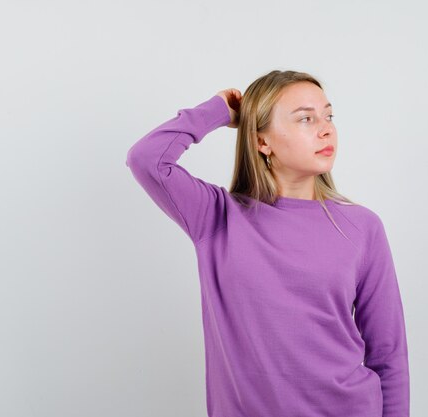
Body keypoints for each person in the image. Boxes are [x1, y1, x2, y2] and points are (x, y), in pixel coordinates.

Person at [125, 70, 410, 417]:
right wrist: (217, 111)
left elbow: (388, 354)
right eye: (306, 118)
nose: (326, 129)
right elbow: (147, 159)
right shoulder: (216, 217)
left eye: (328, 116)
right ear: (263, 141)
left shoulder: (363, 227)